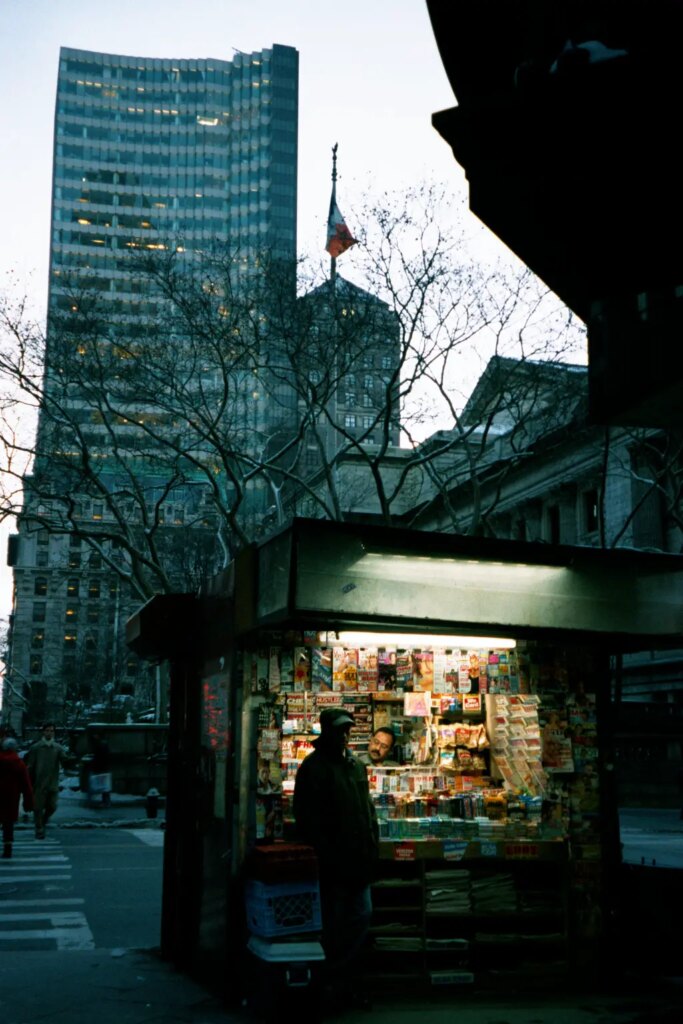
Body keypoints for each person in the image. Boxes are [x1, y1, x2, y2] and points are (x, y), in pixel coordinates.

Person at [293, 708, 378, 1006]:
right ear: (326, 731)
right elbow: (306, 818)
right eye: (340, 730)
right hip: (332, 864)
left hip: (358, 861)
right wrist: (323, 853)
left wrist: (371, 844)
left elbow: (367, 810)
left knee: (361, 915)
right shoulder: (313, 767)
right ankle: (329, 985)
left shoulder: (356, 765)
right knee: (334, 922)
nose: (344, 735)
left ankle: (340, 979)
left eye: (347, 730)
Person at [25, 722, 70, 839]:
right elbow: (30, 766)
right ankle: (39, 828)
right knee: (38, 808)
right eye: (47, 730)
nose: (49, 732)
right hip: (38, 783)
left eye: (52, 730)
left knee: (52, 807)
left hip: (52, 783)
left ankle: (43, 822)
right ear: (43, 732)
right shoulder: (36, 748)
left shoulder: (57, 748)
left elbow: (64, 759)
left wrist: (69, 759)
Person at [0, 737, 34, 858]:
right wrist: (28, 801)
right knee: (8, 822)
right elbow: (26, 784)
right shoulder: (19, 763)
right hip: (11, 797)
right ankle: (7, 848)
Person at [89, 731, 112, 808]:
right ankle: (106, 801)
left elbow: (99, 758)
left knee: (102, 786)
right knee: (104, 786)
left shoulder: (100, 744)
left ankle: (105, 801)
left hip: (101, 768)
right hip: (103, 768)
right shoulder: (103, 744)